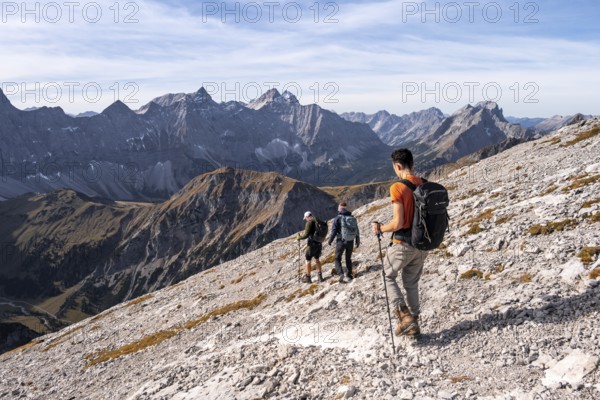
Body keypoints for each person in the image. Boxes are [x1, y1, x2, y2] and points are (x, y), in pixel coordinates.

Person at [371, 149, 427, 337]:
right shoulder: (424, 184)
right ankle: (414, 322)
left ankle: (404, 317)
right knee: (411, 283)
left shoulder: (397, 187)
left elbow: (398, 222)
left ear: (397, 166)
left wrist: (380, 228)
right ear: (413, 163)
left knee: (387, 276)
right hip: (422, 245)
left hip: (403, 243)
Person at [328, 202, 360, 283]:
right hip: (350, 241)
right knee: (348, 258)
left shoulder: (337, 218)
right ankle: (349, 275)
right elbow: (356, 230)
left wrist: (330, 240)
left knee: (337, 258)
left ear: (339, 209)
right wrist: (357, 240)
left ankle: (341, 273)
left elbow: (334, 231)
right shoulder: (351, 217)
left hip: (340, 241)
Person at [297, 211, 324, 283]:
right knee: (317, 259)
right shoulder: (317, 221)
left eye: (305, 218)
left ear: (307, 217)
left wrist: (299, 238)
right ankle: (320, 277)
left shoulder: (309, 223)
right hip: (319, 244)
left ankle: (308, 278)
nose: (305, 219)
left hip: (312, 245)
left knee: (308, 260)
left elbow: (306, 235)